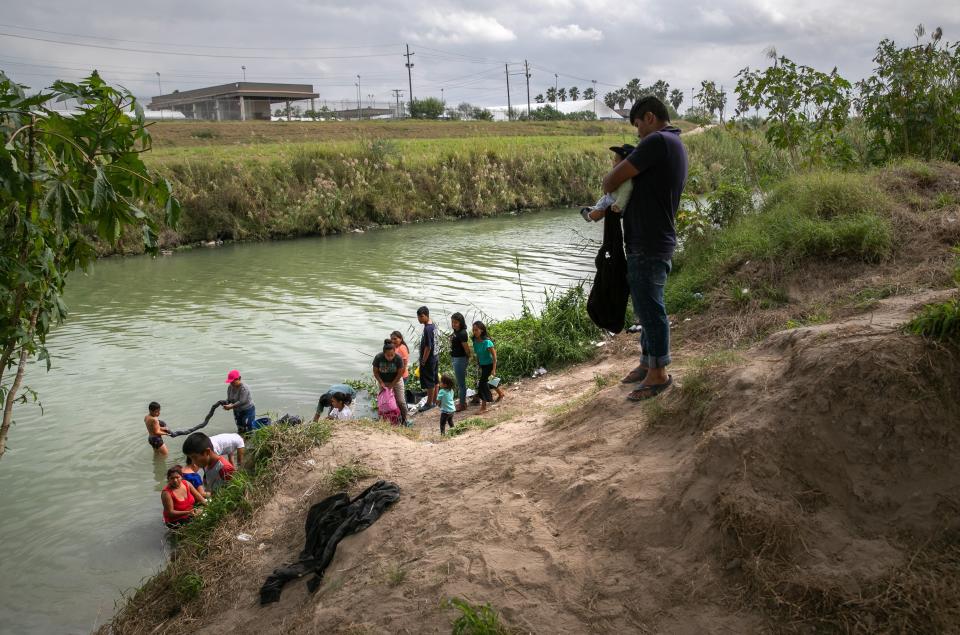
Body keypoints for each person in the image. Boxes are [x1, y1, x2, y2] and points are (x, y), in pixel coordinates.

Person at [601, 96, 687, 401]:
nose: (637, 133)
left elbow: (610, 182)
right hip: (653, 238)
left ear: (649, 118)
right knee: (646, 306)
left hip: (648, 241)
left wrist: (614, 171)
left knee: (650, 309)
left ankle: (659, 373)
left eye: (638, 125)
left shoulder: (656, 142)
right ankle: (647, 362)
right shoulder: (673, 144)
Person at [582, 144, 636, 221]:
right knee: (602, 202)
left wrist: (618, 205)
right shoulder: (620, 175)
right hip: (612, 197)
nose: (613, 162)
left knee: (603, 206)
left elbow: (625, 192)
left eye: (616, 160)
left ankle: (590, 217)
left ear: (625, 164)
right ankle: (594, 209)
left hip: (614, 202)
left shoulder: (627, 179)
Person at [372, 340, 408, 425]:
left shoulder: (398, 358)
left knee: (400, 401)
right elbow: (375, 372)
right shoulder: (378, 358)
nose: (390, 357)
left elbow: (400, 373)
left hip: (396, 381)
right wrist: (381, 382)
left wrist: (392, 384)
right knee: (382, 402)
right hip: (383, 382)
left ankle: (405, 419)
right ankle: (384, 419)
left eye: (392, 355)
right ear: (384, 353)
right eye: (388, 355)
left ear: (395, 352)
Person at [471, 321, 500, 414]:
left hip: (490, 365)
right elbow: (478, 355)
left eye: (476, 330)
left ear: (482, 330)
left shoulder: (487, 342)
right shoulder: (475, 342)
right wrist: (478, 364)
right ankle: (501, 394)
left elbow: (495, 357)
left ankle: (484, 407)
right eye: (473, 330)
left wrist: (493, 369)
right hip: (483, 365)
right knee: (491, 381)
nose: (474, 332)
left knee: (482, 384)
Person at [417, 306, 439, 412]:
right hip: (435, 357)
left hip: (429, 359)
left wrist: (424, 360)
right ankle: (435, 401)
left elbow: (428, 347)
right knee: (435, 380)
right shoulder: (433, 325)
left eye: (421, 316)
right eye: (418, 317)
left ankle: (429, 403)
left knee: (430, 381)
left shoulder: (427, 328)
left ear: (426, 315)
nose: (419, 319)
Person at [449, 312, 472, 412]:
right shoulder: (456, 332)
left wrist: (467, 359)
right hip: (455, 358)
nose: (454, 324)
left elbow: (466, 349)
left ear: (461, 323)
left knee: (461, 383)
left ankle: (462, 404)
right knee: (460, 382)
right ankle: (463, 402)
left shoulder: (462, 333)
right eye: (452, 322)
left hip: (460, 359)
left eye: (456, 322)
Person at [223, 369, 257, 434]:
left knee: (248, 426)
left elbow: (242, 401)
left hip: (247, 410)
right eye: (231, 382)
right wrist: (226, 403)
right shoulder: (230, 387)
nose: (232, 383)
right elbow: (229, 399)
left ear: (239, 378)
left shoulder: (244, 388)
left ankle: (250, 438)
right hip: (237, 410)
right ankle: (241, 436)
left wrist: (231, 406)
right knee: (240, 426)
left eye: (233, 381)